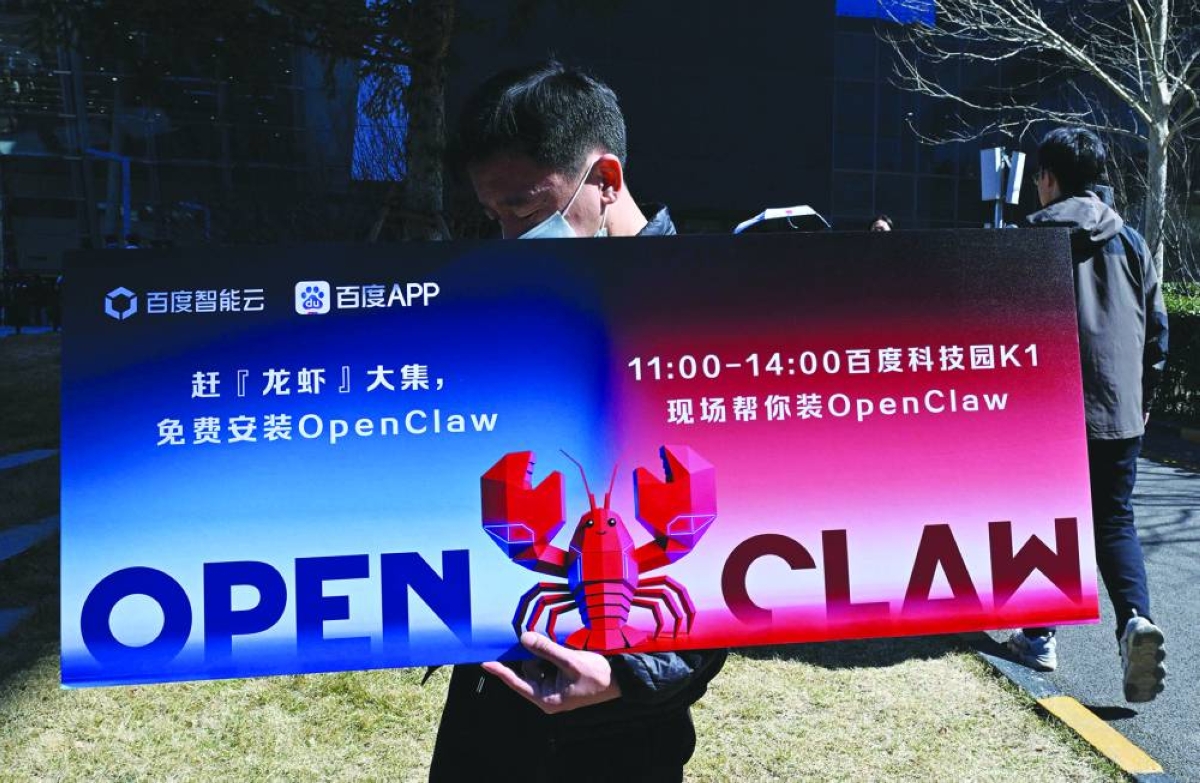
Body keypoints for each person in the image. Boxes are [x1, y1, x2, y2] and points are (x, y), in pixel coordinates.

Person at [429, 60, 727, 782]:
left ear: (606, 181)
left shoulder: (714, 316)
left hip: (619, 738)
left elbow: (744, 538)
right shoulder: (516, 295)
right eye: (493, 217)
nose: (507, 239)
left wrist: (634, 675)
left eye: (525, 213)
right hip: (488, 714)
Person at [1007, 127, 1168, 703]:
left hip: (1045, 414)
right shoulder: (1132, 242)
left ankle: (1040, 637)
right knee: (1114, 522)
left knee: (1041, 522)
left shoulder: (1027, 239)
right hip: (1118, 414)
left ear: (1048, 178)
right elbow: (1157, 336)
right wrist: (1141, 402)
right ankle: (1134, 623)